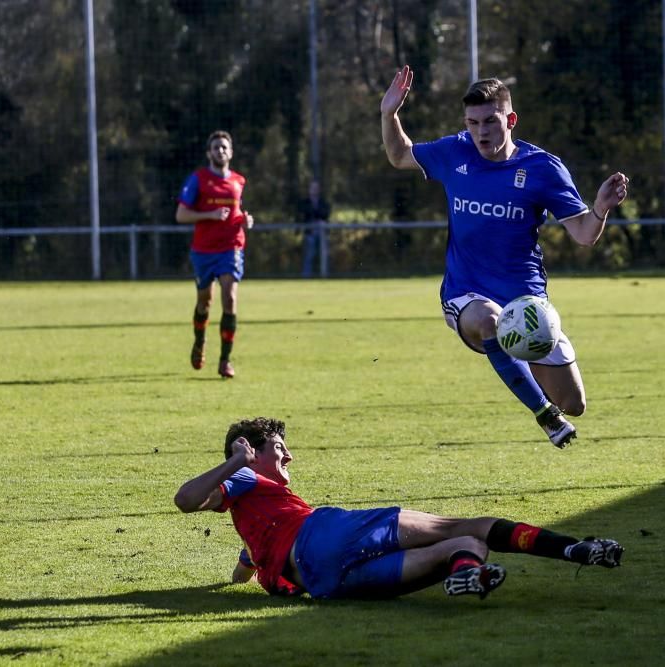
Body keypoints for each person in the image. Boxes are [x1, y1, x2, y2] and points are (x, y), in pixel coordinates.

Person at [380, 66, 630, 448]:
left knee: (574, 402)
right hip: (465, 294)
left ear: (510, 119)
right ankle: (546, 416)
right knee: (490, 321)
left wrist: (599, 209)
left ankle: (547, 397)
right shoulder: (455, 151)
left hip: (528, 301)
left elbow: (583, 234)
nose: (481, 132)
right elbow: (399, 156)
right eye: (473, 122)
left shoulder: (543, 168)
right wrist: (389, 114)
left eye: (490, 122)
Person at [174, 417, 625, 600]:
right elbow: (185, 500)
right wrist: (237, 460)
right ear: (254, 453)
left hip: (323, 581)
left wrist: (232, 580)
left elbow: (247, 565)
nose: (288, 456)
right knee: (475, 525)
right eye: (278, 447)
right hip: (326, 533)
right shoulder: (247, 476)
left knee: (464, 546)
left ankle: (467, 574)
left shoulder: (257, 515)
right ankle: (575, 551)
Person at [175, 130, 254, 379]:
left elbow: (237, 211)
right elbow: (181, 215)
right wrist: (209, 215)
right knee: (204, 302)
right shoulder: (198, 179)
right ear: (209, 153)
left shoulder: (238, 181)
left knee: (229, 298)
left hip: (231, 247)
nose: (221, 151)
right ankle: (199, 342)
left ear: (230, 152)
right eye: (216, 147)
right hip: (204, 250)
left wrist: (245, 220)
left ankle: (225, 360)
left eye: (224, 147)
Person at [299, 179, 331, 278]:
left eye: (316, 188)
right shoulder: (305, 202)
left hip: (321, 233)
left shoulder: (323, 203)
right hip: (310, 234)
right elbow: (305, 213)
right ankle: (306, 276)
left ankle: (325, 276)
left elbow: (325, 214)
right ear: (309, 189)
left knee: (324, 255)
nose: (314, 190)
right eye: (313, 188)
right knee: (309, 255)